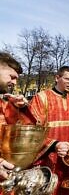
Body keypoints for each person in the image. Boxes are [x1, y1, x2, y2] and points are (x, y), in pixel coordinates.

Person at [29, 66, 69, 195]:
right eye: (68, 79)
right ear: (57, 78)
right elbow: (33, 130)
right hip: (48, 158)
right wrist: (54, 144)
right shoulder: (42, 98)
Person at [0, 52, 34, 182]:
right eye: (12, 76)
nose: (14, 82)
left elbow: (25, 134)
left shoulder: (4, 105)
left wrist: (21, 109)